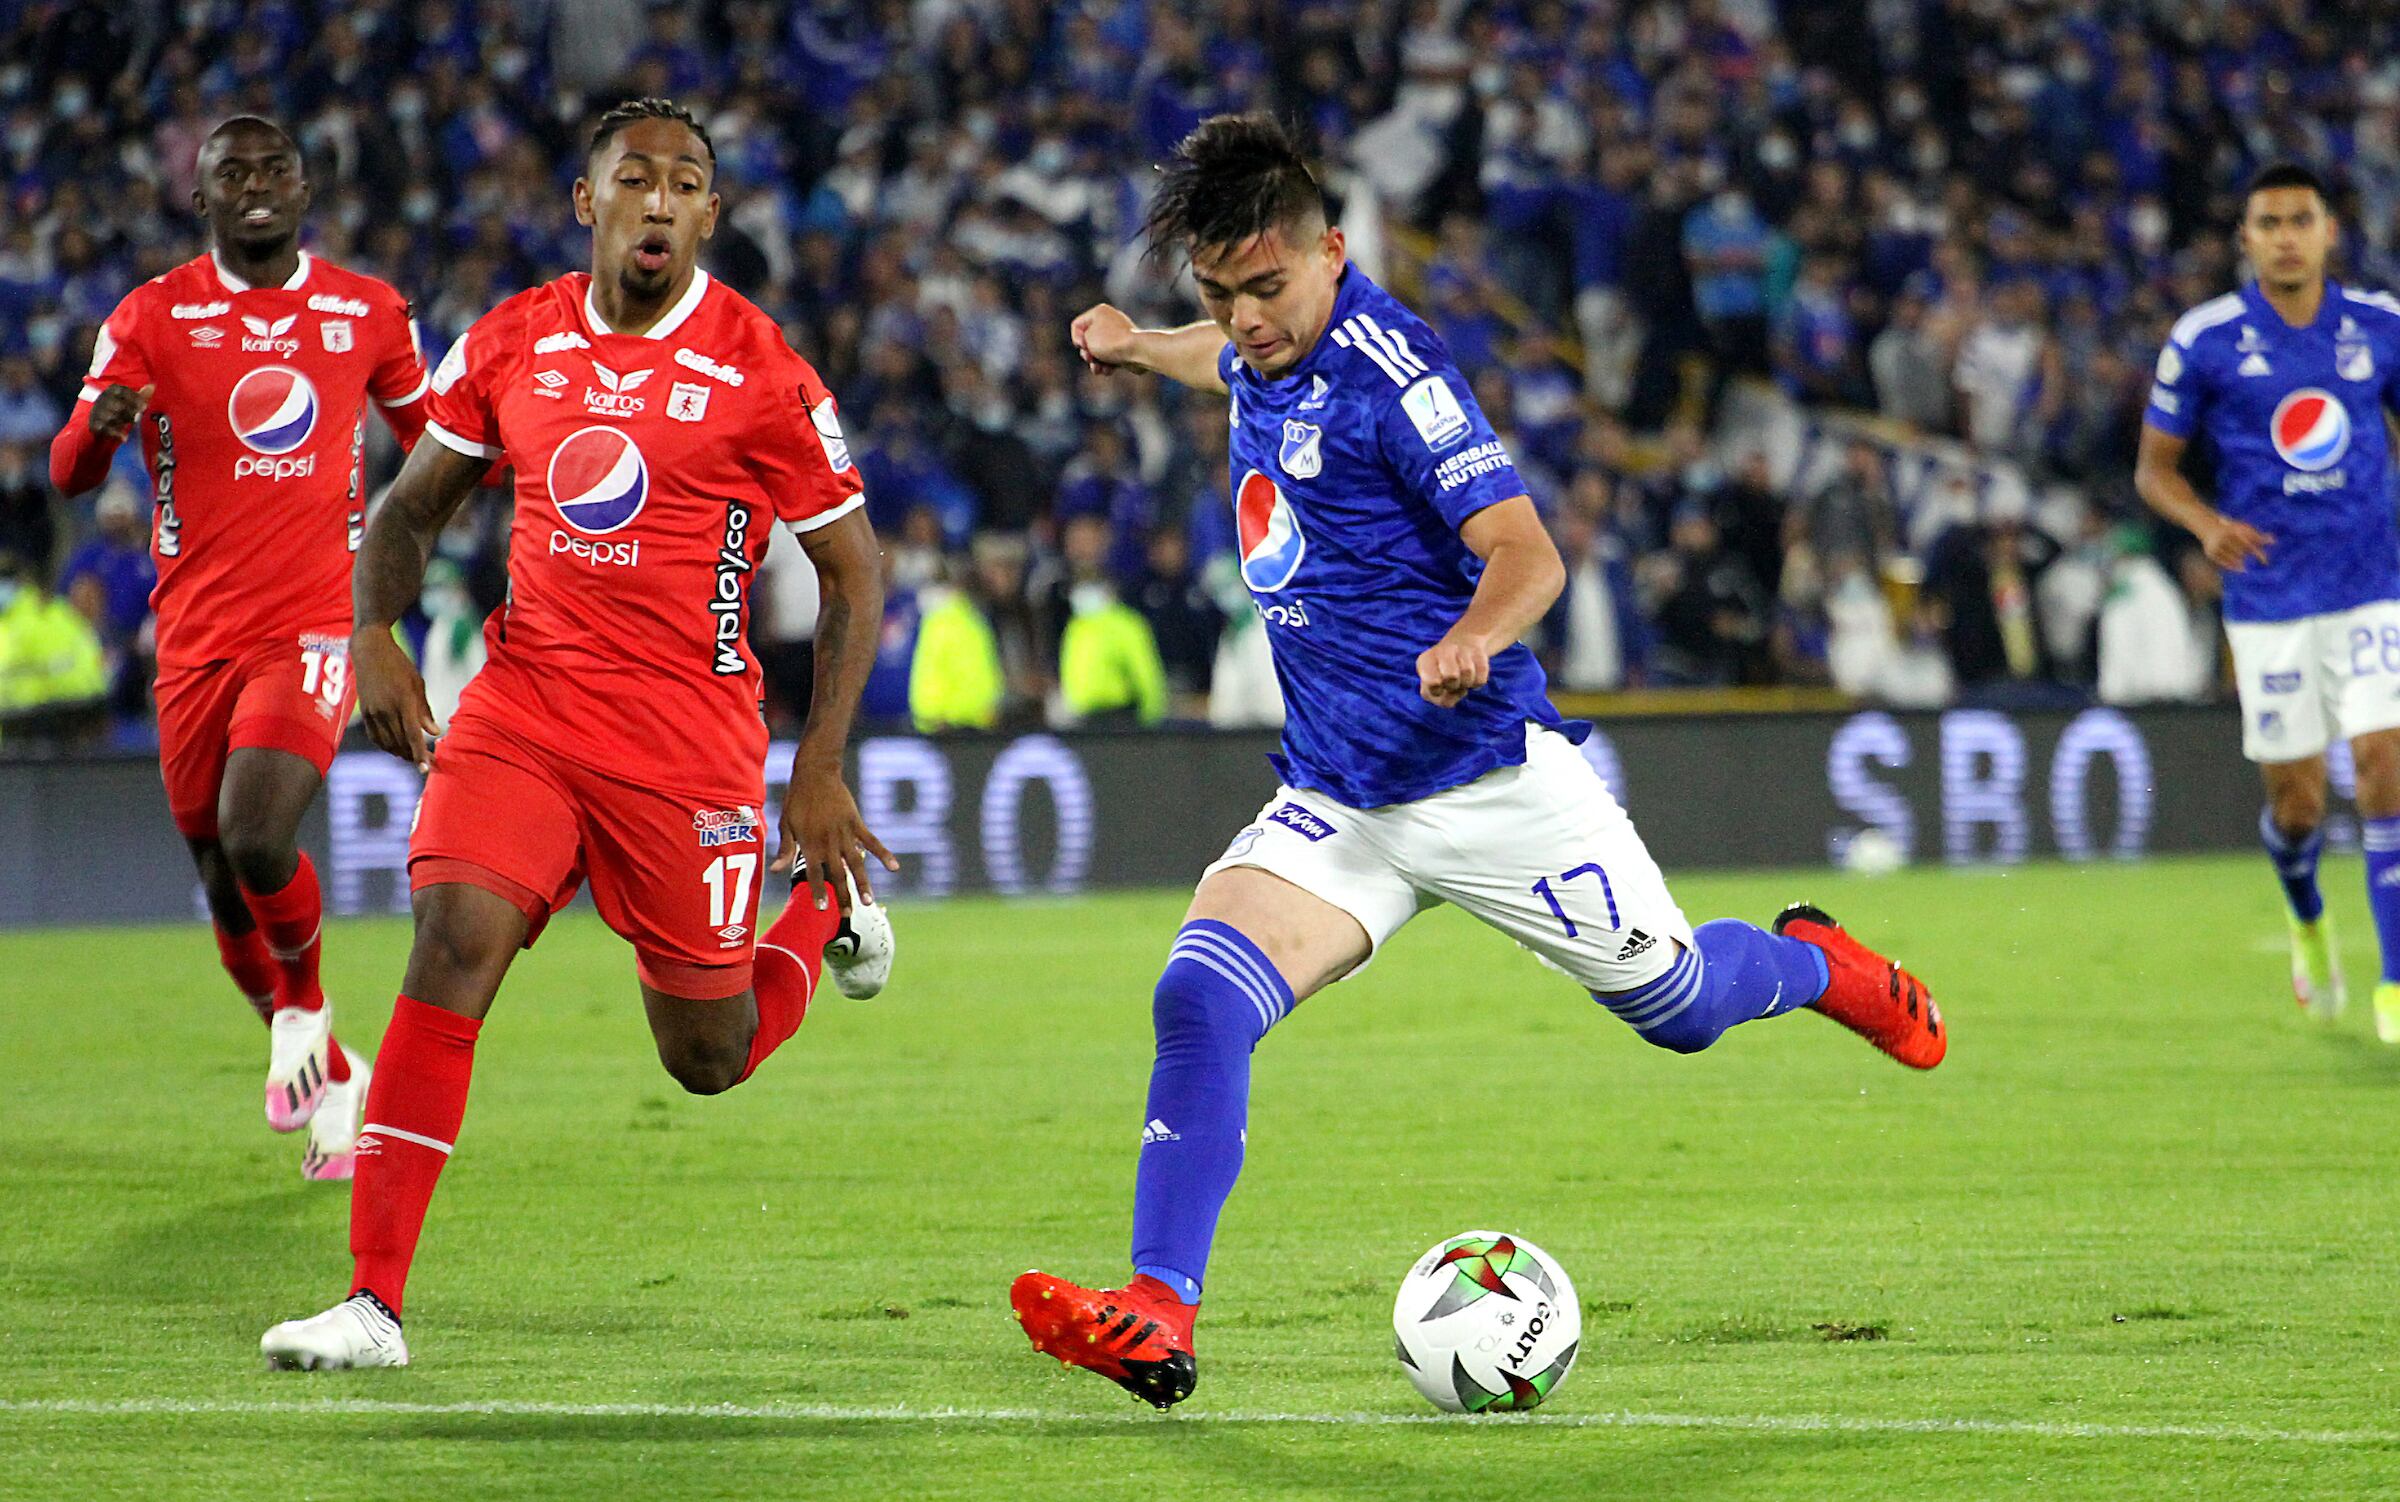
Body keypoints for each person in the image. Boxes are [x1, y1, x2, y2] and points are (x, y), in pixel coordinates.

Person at [1010, 114, 1945, 1411]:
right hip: (1340, 794)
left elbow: (1528, 553)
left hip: (1488, 785)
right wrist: (1135, 341)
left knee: (1678, 1008)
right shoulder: (1254, 343)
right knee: (1199, 997)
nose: (1245, 319)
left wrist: (1470, 635)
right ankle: (1159, 1310)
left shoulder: (1401, 378)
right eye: (1219, 296)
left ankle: (1816, 961)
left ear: (1332, 252)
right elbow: (1226, 366)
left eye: (1267, 289)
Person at [260, 99, 897, 1371]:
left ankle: (822, 916)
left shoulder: (764, 370)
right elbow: (406, 509)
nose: (658, 200)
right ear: (586, 199)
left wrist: (814, 765)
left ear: (710, 214)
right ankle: (373, 1303)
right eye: (634, 178)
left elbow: (854, 574)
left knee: (706, 1056)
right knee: (452, 944)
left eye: (686, 184)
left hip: (686, 744)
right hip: (529, 710)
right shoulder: (514, 340)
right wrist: (374, 635)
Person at [47, 116, 431, 1182]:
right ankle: (335, 1073)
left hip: (313, 622)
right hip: (195, 641)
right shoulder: (150, 318)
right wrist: (103, 429)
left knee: (256, 832)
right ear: (202, 193)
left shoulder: (366, 310)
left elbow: (438, 440)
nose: (256, 186)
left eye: (274, 169)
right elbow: (69, 473)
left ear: (306, 187)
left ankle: (304, 1009)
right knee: (220, 874)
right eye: (233, 173)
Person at [2137, 162, 2400, 1037]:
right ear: (2245, 239)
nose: (2286, 235)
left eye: (2301, 219)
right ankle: (2307, 918)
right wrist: (2206, 526)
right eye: (2269, 222)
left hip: (2370, 585)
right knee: (2298, 803)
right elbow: (2155, 470)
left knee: (2382, 772)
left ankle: (2395, 985)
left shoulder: (2379, 326)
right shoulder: (2206, 339)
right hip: (2270, 598)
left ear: (2330, 231)